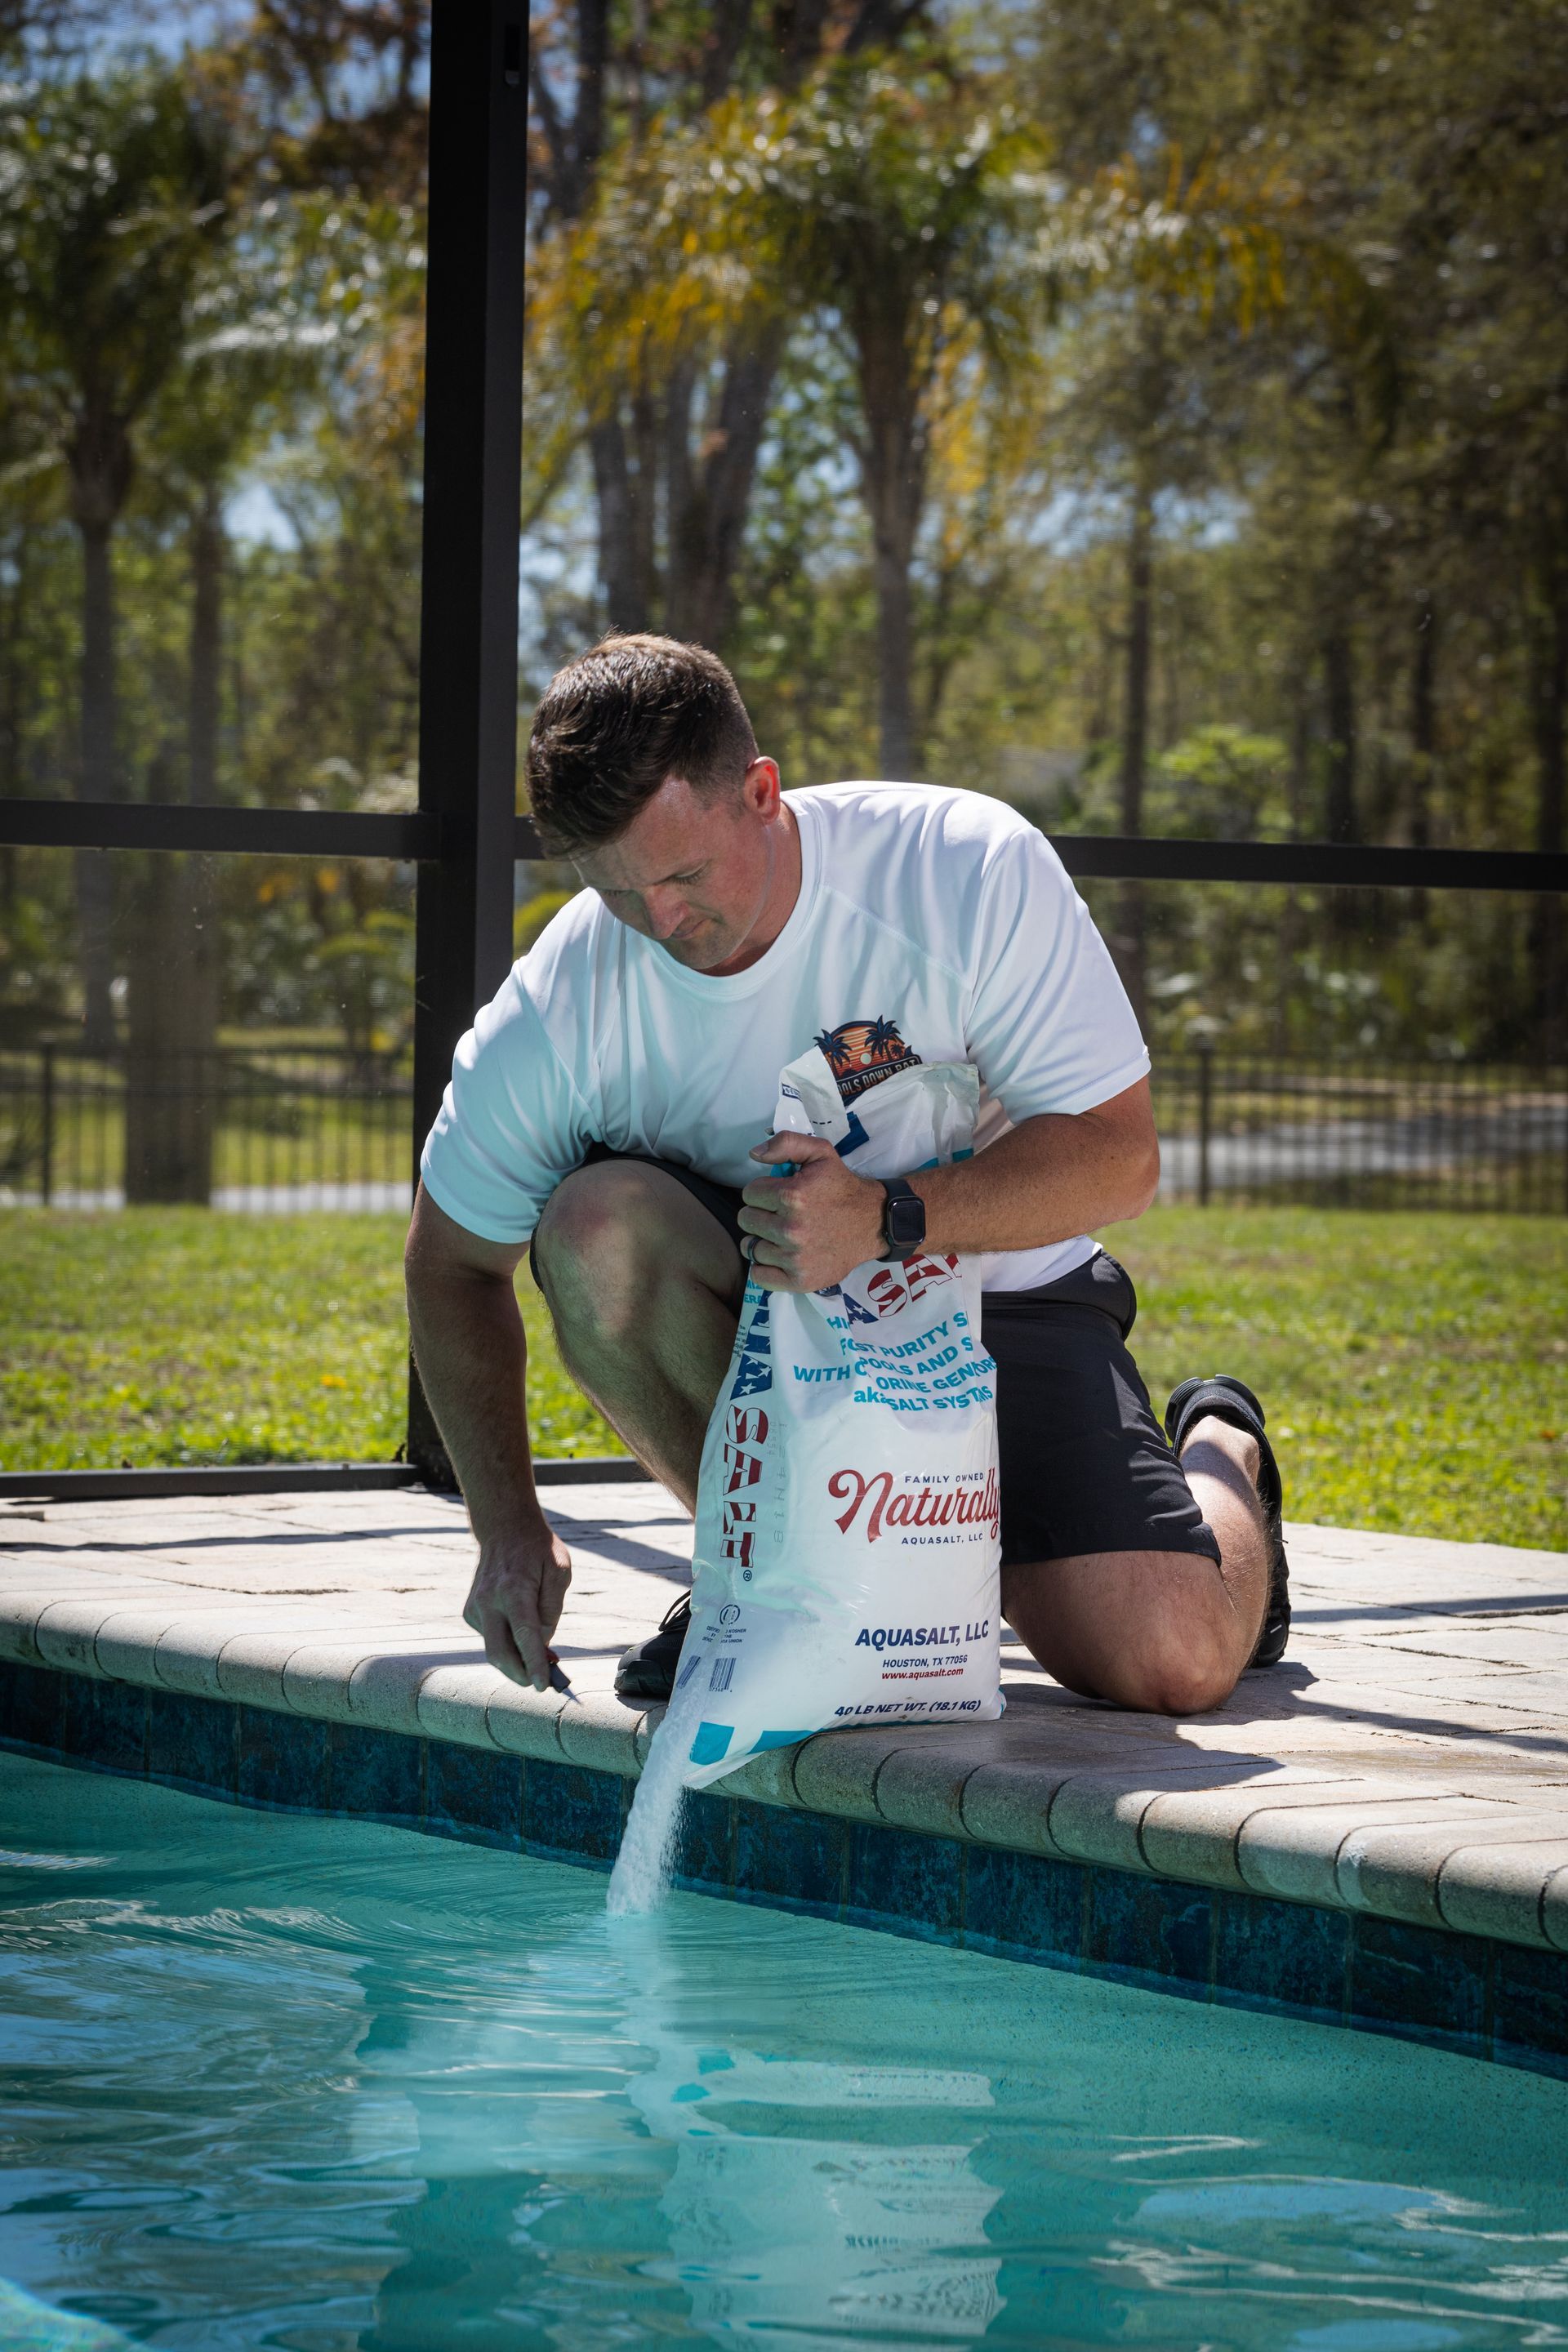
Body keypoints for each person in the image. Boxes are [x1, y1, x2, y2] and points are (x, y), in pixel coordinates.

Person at [405, 634, 1290, 1715]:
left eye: (683, 873)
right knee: (595, 1229)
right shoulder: (565, 998)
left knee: (1173, 1661)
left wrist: (890, 1217)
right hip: (770, 1325)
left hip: (997, 1298)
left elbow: (1119, 1153)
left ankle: (1222, 1448)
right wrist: (507, 1530)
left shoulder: (960, 864)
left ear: (763, 793)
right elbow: (450, 1265)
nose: (664, 923)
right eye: (620, 891)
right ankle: (768, 1589)